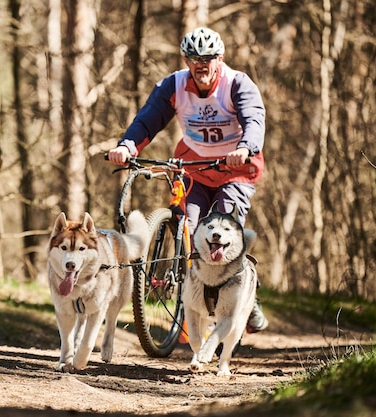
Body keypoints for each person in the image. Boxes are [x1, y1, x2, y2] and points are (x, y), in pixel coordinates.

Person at [107, 27, 268, 333]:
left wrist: (246, 147)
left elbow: (254, 119)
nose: (201, 63)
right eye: (194, 58)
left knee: (222, 230)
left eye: (207, 58)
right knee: (194, 231)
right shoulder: (175, 85)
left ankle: (247, 294)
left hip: (235, 170)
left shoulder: (237, 84)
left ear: (219, 59)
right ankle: (190, 303)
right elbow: (148, 118)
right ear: (186, 60)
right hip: (195, 167)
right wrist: (127, 146)